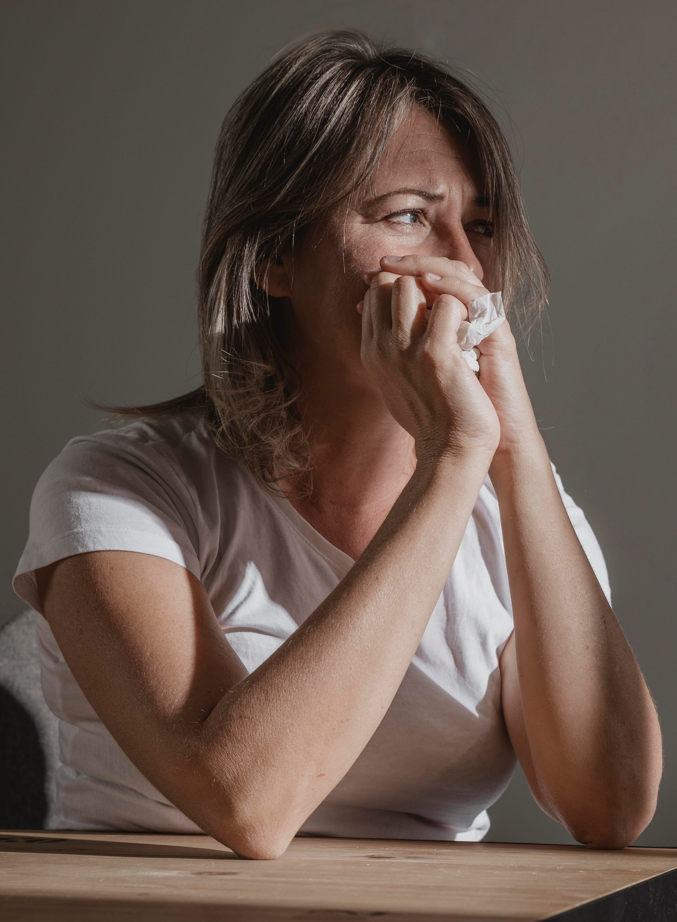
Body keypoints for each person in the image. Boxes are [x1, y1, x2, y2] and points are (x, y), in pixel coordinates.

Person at [13, 30, 662, 860]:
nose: (465, 266)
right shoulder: (119, 489)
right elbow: (246, 802)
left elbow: (608, 808)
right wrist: (449, 460)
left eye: (482, 225)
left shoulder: (516, 506)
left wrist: (516, 451)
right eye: (408, 217)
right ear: (274, 258)